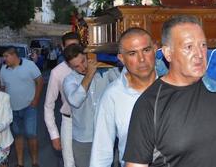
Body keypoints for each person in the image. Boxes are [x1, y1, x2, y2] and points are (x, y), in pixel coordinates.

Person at [123, 15, 216, 167]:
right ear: (168, 53)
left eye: (203, 45)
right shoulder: (150, 104)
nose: (199, 54)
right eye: (189, 47)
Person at [89, 28, 158, 167]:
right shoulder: (112, 96)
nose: (142, 59)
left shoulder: (174, 86)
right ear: (121, 58)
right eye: (132, 53)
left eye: (146, 50)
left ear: (155, 49)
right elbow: (101, 153)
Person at [63, 44, 120, 167]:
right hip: (83, 141)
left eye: (83, 61)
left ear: (87, 56)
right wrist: (89, 75)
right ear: (70, 66)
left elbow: (122, 85)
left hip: (108, 136)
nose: (82, 67)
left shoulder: (105, 71)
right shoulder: (69, 80)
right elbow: (75, 100)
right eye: (76, 66)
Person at [0, 46, 44, 167]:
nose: (4, 59)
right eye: (3, 56)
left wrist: (36, 100)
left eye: (6, 56)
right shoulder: (3, 69)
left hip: (29, 106)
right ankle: (20, 163)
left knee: (31, 134)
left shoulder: (29, 65)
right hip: (12, 109)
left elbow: (39, 81)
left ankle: (34, 162)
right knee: (18, 135)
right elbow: (2, 88)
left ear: (14, 55)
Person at [44, 31, 82, 167]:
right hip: (69, 122)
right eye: (69, 47)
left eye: (76, 46)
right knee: (69, 163)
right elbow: (48, 105)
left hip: (91, 122)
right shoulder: (57, 72)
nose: (72, 51)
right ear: (62, 47)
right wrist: (54, 134)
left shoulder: (90, 66)